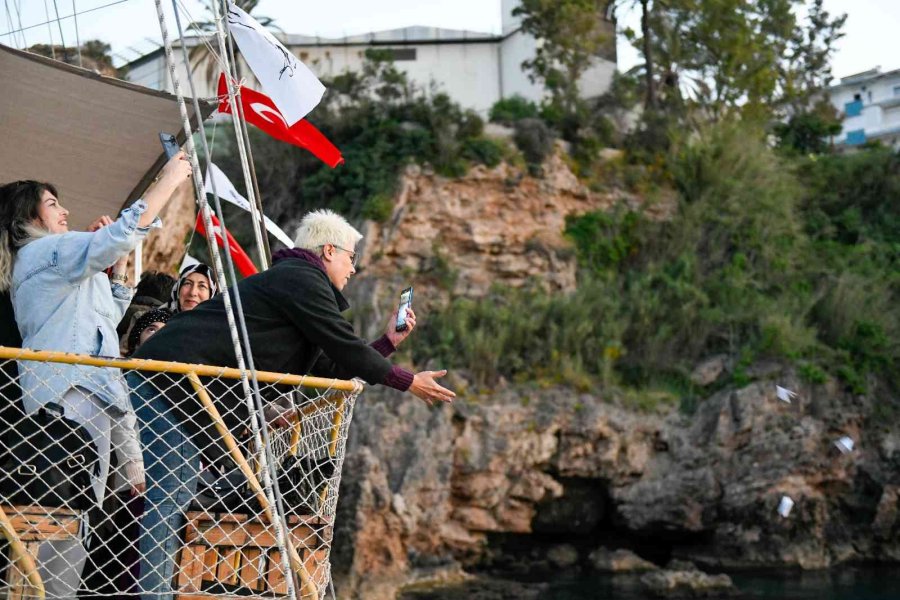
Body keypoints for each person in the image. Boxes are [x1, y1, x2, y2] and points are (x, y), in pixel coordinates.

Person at [128, 208, 454, 600]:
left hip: (182, 387)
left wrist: (388, 344)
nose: (354, 268)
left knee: (176, 496)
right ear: (329, 251)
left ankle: (157, 592)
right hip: (171, 382)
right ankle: (154, 595)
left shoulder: (298, 285)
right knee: (171, 496)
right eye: (352, 257)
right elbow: (344, 347)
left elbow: (333, 366)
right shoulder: (301, 279)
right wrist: (406, 380)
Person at [0, 152, 192, 599]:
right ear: (28, 215)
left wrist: (117, 270)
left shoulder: (43, 260)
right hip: (73, 392)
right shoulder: (45, 251)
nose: (64, 210)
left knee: (70, 512)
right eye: (52, 203)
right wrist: (169, 179)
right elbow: (125, 231)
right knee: (65, 515)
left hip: (75, 390)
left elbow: (105, 319)